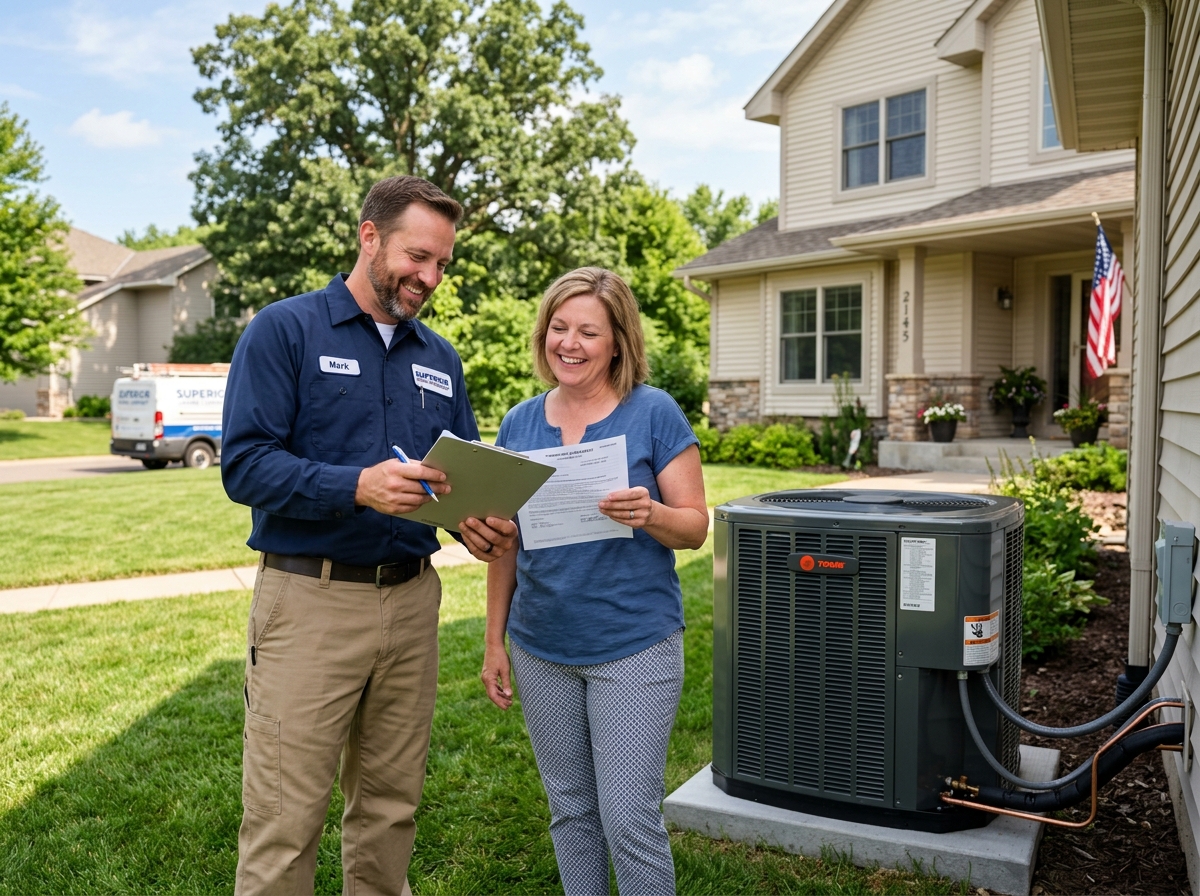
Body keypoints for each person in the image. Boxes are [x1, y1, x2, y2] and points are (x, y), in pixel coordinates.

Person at [221, 175, 518, 896]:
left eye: (443, 264)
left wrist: (474, 524)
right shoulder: (285, 330)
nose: (430, 277)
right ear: (368, 235)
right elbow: (245, 467)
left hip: (414, 606)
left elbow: (454, 477)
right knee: (285, 820)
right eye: (419, 257)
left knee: (390, 812)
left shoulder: (439, 359)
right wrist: (354, 484)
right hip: (310, 603)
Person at [480, 267, 709, 895]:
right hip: (539, 646)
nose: (570, 344)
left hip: (633, 645)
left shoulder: (653, 411)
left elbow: (693, 528)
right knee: (571, 813)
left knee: (628, 818)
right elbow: (506, 542)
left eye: (588, 331)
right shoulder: (520, 423)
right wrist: (495, 640)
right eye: (559, 328)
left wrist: (651, 514)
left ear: (617, 342)